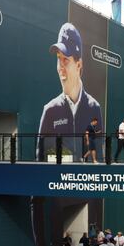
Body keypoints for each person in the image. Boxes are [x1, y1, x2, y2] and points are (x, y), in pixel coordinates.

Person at [35, 22, 103, 161]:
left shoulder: (94, 107)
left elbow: (99, 153)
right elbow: (39, 159)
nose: (60, 67)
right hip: (58, 181)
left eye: (65, 60)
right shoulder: (49, 110)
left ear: (79, 64)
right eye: (58, 59)